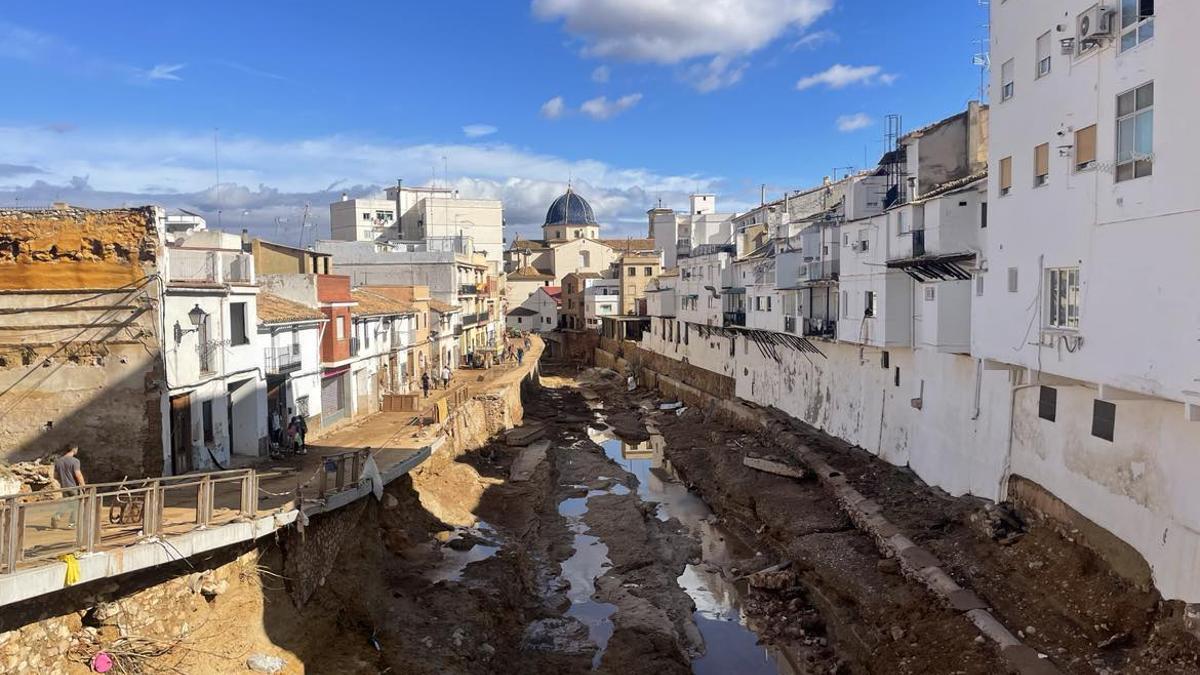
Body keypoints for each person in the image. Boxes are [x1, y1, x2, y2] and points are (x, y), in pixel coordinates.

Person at [52, 445, 85, 529]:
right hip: (73, 487)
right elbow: (78, 475)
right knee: (76, 505)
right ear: (74, 449)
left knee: (66, 503)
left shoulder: (59, 461)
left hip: (64, 486)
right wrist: (83, 486)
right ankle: (72, 524)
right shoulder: (75, 461)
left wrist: (63, 480)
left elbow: (55, 476)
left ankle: (57, 515)